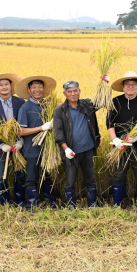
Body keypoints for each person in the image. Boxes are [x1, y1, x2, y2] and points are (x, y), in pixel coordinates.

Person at [107, 71, 137, 209]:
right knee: (119, 175)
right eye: (127, 84)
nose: (130, 87)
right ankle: (117, 205)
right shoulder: (115, 102)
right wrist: (115, 140)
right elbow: (109, 123)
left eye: (133, 84)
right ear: (123, 86)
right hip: (121, 146)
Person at [53, 80, 101, 208]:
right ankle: (71, 206)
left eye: (75, 90)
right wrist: (66, 149)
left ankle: (92, 204)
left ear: (79, 91)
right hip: (71, 152)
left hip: (88, 149)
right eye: (69, 91)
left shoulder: (87, 104)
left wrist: (103, 83)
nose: (73, 93)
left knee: (90, 178)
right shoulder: (60, 111)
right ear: (65, 93)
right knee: (70, 180)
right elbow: (58, 133)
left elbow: (102, 101)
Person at [0, 73, 26, 205]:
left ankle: (19, 201)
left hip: (19, 145)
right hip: (1, 147)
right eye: (1, 85)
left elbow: (25, 123)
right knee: (2, 176)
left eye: (6, 84)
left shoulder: (21, 102)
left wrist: (21, 141)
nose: (4, 87)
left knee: (21, 174)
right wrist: (1, 145)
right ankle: (5, 203)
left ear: (11, 86)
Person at [16, 75, 57, 208]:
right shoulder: (25, 107)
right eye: (34, 87)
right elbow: (20, 131)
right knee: (31, 177)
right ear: (29, 90)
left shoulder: (49, 106)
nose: (37, 89)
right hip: (32, 149)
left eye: (40, 86)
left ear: (44, 89)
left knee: (47, 176)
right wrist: (41, 128)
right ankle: (33, 203)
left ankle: (50, 202)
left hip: (48, 149)